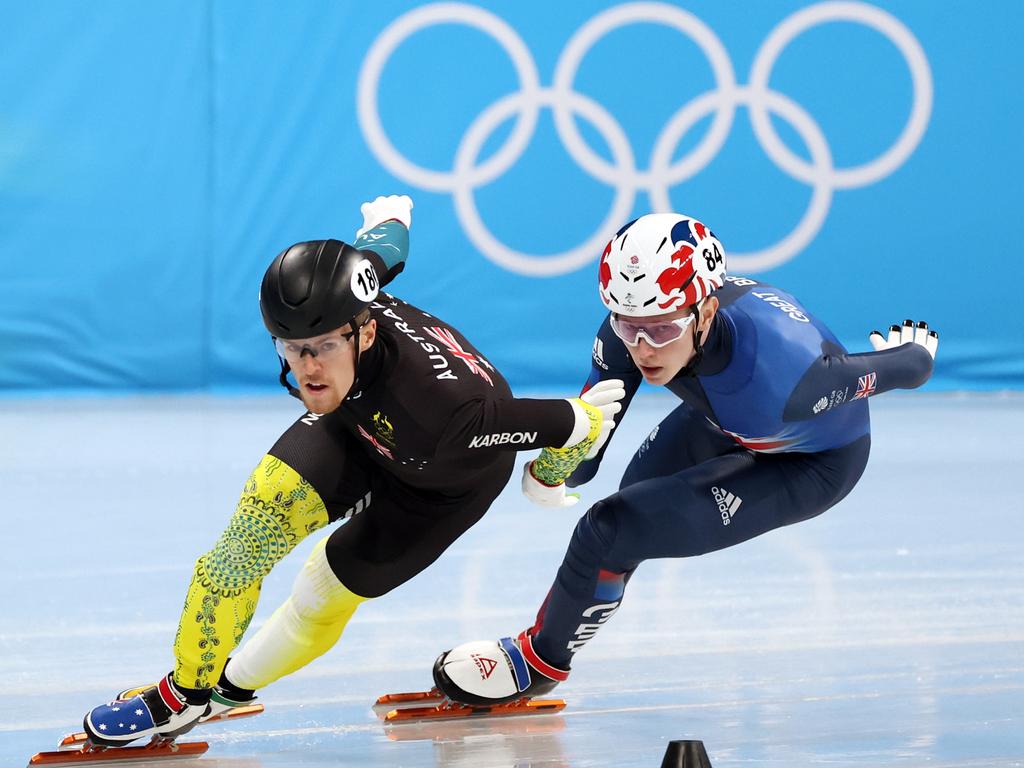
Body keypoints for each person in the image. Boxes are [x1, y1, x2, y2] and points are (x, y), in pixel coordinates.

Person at [81, 195, 625, 745]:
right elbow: (384, 248)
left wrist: (549, 476)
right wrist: (392, 220)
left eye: (322, 348)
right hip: (358, 425)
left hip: (438, 482)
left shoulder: (445, 412)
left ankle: (232, 688)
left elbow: (576, 422)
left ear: (364, 332)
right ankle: (184, 695)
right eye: (292, 349)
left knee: (321, 590)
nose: (307, 369)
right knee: (242, 544)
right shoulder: (353, 287)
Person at [431, 212, 939, 705]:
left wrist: (913, 353)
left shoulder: (790, 377)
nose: (644, 349)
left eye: (661, 331)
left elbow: (903, 368)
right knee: (625, 512)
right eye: (630, 329)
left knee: (608, 529)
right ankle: (563, 630)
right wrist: (558, 466)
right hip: (721, 419)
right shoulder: (632, 327)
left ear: (707, 313)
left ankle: (536, 664)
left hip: (811, 463)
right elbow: (591, 446)